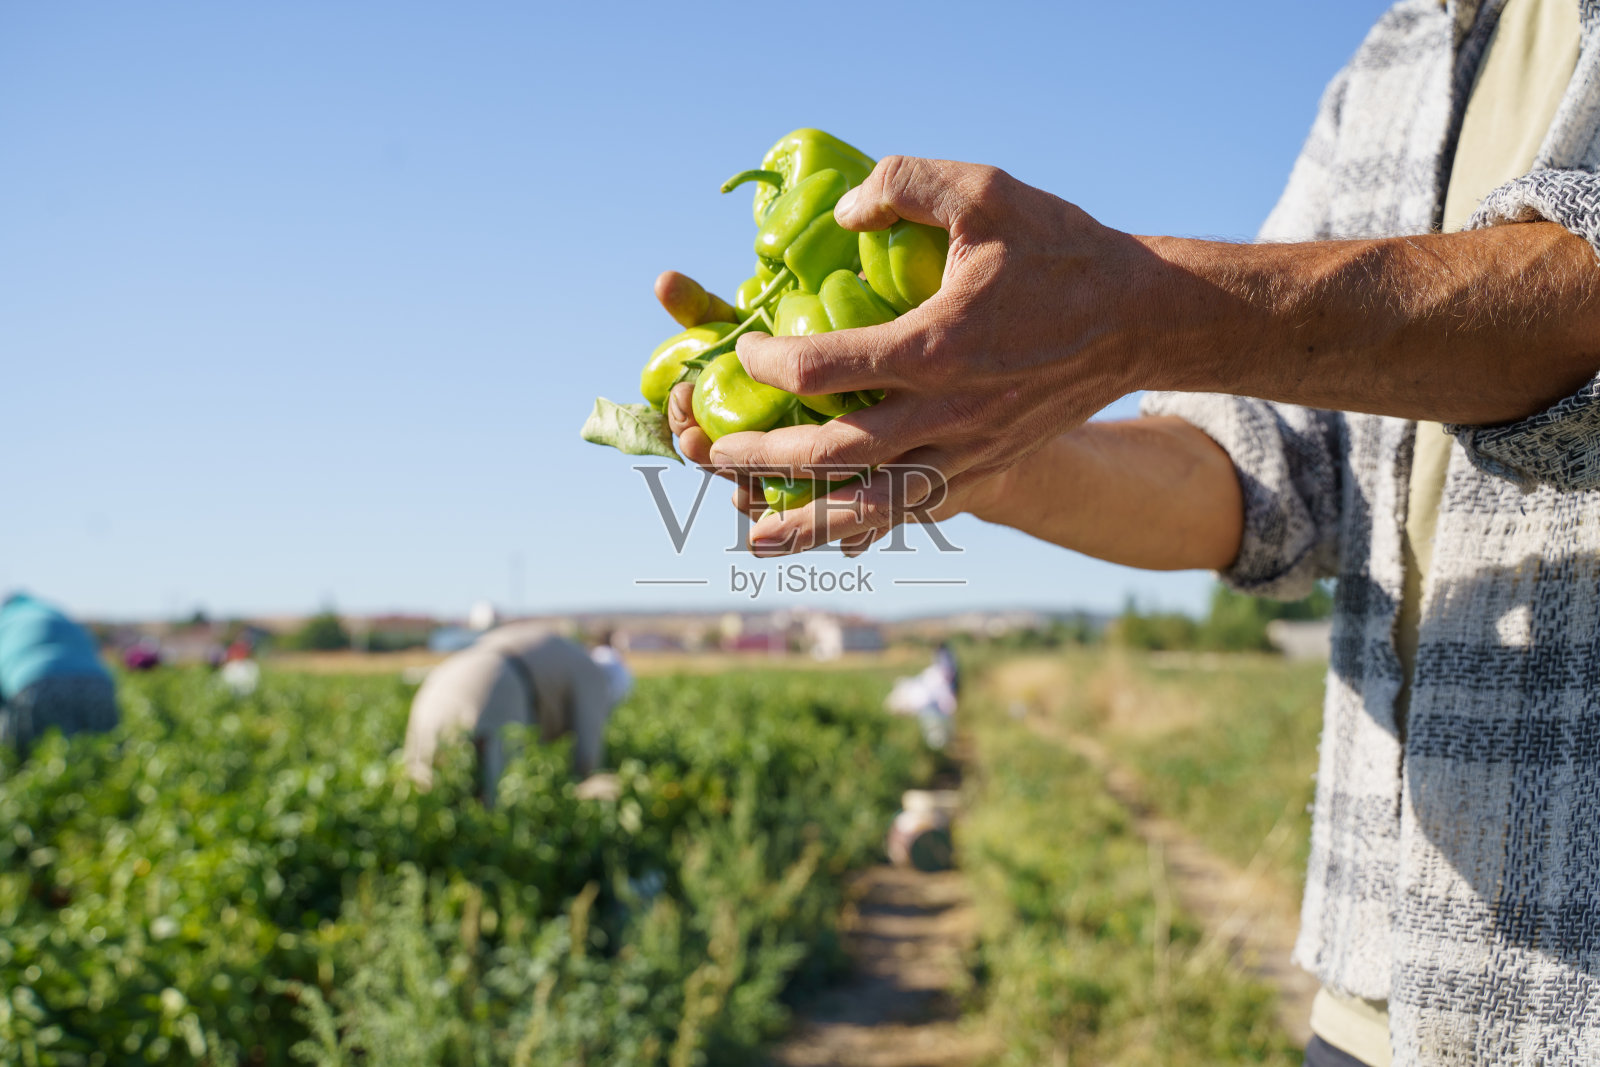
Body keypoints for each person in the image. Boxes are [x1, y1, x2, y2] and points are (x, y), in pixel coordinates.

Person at [658, 4, 1600, 1063]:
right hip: (1380, 994)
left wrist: (1141, 313)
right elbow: (1269, 479)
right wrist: (976, 446)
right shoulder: (1397, 56)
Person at [403, 623, 623, 806]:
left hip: (440, 679)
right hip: (494, 685)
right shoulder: (595, 677)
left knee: (422, 787)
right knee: (494, 802)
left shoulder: (566, 653)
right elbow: (587, 762)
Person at [0, 592, 119, 760]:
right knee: (103, 758)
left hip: (36, 685)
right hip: (98, 684)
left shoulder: (6, 620)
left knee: (29, 760)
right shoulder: (55, 613)